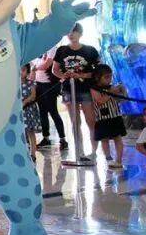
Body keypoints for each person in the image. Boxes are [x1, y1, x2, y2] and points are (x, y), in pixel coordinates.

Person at [52, 24, 101, 160]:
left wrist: (82, 75)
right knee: (75, 122)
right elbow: (55, 69)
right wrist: (64, 75)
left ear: (80, 33)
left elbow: (98, 71)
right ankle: (79, 152)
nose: (71, 34)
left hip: (85, 89)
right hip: (68, 89)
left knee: (91, 121)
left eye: (74, 32)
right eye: (68, 32)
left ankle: (93, 152)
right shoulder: (61, 50)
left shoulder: (90, 50)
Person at [89, 64, 127, 169]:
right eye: (106, 77)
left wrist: (122, 90)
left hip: (115, 117)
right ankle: (109, 159)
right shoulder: (94, 89)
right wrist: (111, 92)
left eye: (110, 77)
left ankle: (118, 160)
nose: (109, 79)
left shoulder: (112, 87)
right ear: (98, 77)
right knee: (104, 139)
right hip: (102, 119)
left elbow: (122, 100)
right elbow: (100, 100)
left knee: (117, 138)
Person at [32, 47, 68, 150]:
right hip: (38, 84)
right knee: (42, 113)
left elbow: (46, 65)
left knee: (53, 112)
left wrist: (35, 68)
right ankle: (46, 138)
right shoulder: (37, 49)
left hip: (49, 85)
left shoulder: (52, 48)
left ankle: (63, 139)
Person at [20, 64, 39, 161]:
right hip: (19, 111)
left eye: (23, 70)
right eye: (19, 70)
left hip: (29, 110)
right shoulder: (15, 84)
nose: (21, 72)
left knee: (30, 132)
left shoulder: (31, 83)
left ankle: (33, 154)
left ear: (27, 71)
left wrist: (24, 102)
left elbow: (33, 96)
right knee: (20, 132)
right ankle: (22, 153)